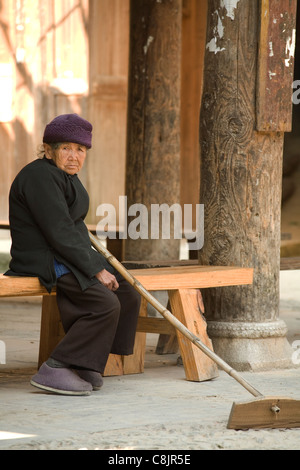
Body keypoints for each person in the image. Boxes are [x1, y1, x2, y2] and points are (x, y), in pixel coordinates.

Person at [5, 113, 141, 396]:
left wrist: (101, 264)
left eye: (80, 150)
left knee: (127, 289)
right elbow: (59, 230)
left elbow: (72, 228)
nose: (74, 156)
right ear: (48, 149)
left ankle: (88, 361)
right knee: (105, 303)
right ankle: (57, 366)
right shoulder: (39, 176)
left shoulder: (67, 178)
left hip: (64, 252)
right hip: (43, 258)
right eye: (66, 148)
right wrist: (94, 268)